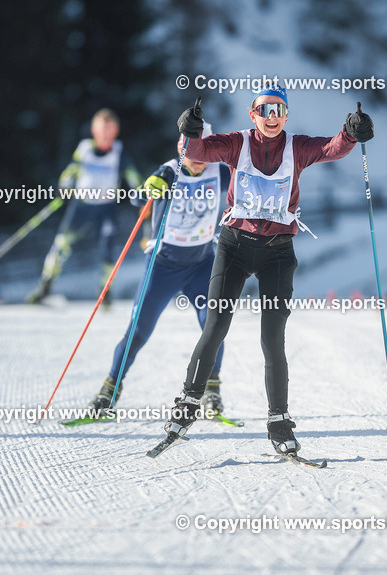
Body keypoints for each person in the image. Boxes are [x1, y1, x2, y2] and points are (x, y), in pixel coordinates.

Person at [157, 85, 373, 455]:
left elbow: (332, 148)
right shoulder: (237, 143)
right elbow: (198, 152)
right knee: (216, 326)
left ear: (286, 115)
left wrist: (351, 132)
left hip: (277, 253)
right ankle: (188, 403)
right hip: (234, 247)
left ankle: (278, 420)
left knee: (272, 338)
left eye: (278, 111)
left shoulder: (297, 147)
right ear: (252, 114)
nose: (271, 118)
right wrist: (190, 130)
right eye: (264, 111)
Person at [88, 128, 231, 415]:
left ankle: (212, 390)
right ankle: (110, 390)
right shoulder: (169, 171)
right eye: (193, 152)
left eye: (205, 152)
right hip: (162, 266)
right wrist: (148, 188)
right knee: (139, 330)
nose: (199, 159)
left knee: (213, 325)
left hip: (201, 264)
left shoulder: (222, 172)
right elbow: (138, 198)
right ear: (182, 149)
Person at [27, 109, 141, 304]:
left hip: (106, 208)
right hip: (81, 206)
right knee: (62, 243)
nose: (105, 134)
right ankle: (45, 286)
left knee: (107, 249)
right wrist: (64, 186)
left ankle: (104, 292)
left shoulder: (119, 152)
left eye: (109, 129)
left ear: (116, 131)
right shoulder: (85, 149)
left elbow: (133, 176)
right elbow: (71, 170)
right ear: (94, 130)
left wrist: (141, 193)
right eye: (101, 129)